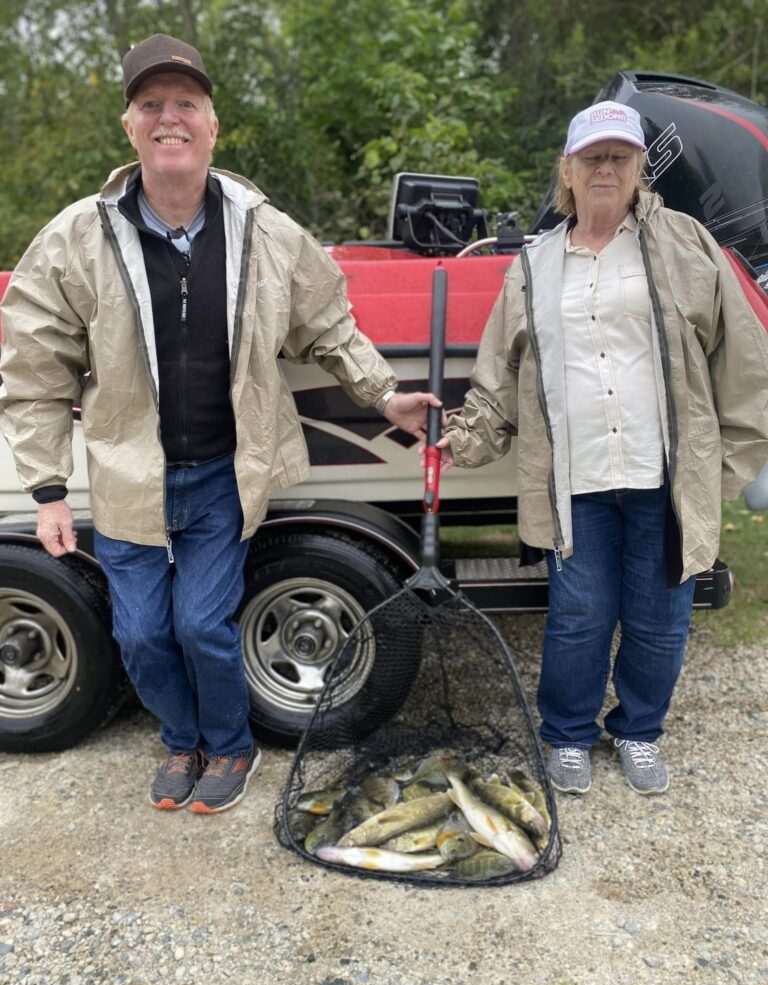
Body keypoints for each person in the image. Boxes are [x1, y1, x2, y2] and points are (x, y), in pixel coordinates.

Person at [0, 34, 440, 814]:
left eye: (186, 106)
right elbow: (35, 371)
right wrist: (47, 490)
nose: (170, 119)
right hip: (129, 478)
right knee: (140, 636)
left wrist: (384, 395)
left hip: (223, 476)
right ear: (129, 128)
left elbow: (327, 323)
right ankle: (180, 740)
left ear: (213, 126)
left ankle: (229, 747)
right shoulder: (76, 237)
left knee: (203, 626)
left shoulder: (265, 230)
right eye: (152, 107)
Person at [436, 101, 768, 796]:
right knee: (579, 618)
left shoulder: (687, 244)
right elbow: (502, 370)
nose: (606, 169)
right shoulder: (535, 264)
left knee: (659, 619)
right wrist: (460, 438)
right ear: (569, 171)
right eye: (593, 158)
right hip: (576, 479)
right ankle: (567, 735)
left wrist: (729, 463)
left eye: (620, 156)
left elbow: (744, 359)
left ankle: (640, 731)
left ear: (640, 168)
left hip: (666, 477)